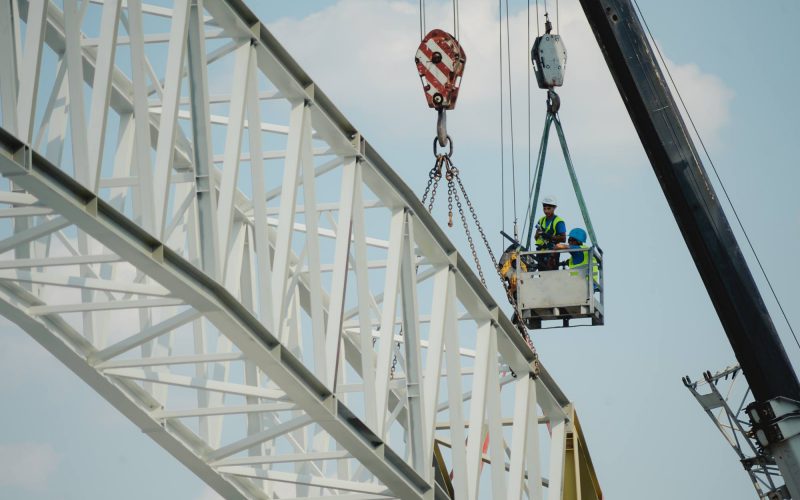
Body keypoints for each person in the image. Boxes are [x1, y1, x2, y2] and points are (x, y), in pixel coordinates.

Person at [533, 195, 566, 270]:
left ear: (554, 208)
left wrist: (548, 236)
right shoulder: (541, 220)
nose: (546, 211)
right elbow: (536, 237)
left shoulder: (559, 222)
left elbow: (563, 239)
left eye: (549, 208)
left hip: (552, 252)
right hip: (541, 252)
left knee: (551, 274)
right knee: (542, 274)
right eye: (544, 208)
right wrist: (538, 234)